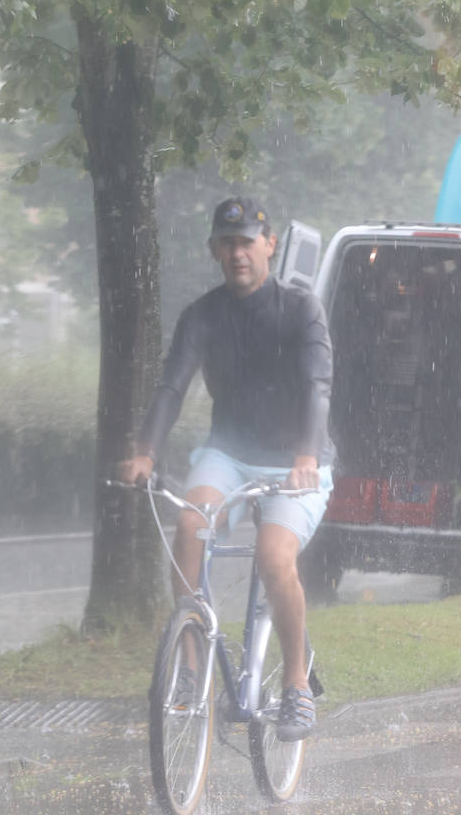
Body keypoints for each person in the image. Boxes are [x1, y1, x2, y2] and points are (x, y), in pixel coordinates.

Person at [119, 196, 334, 741]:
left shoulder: (301, 308)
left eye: (247, 242)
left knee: (272, 556)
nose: (238, 253)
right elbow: (172, 387)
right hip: (229, 453)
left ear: (269, 245)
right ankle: (190, 668)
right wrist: (145, 451)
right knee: (190, 526)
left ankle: (295, 686)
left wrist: (307, 455)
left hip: (296, 461)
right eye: (227, 243)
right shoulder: (202, 316)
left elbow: (317, 386)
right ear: (215, 250)